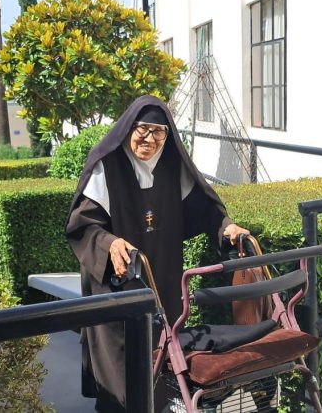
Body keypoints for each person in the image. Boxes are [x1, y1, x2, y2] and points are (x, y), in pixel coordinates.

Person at [65, 95, 250, 412]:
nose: (149, 139)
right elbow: (82, 225)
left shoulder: (172, 165)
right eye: (142, 129)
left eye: (158, 132)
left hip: (161, 275)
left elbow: (207, 210)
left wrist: (227, 227)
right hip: (115, 283)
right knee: (120, 371)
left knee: (162, 356)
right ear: (129, 128)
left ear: (168, 135)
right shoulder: (107, 166)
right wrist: (110, 243)